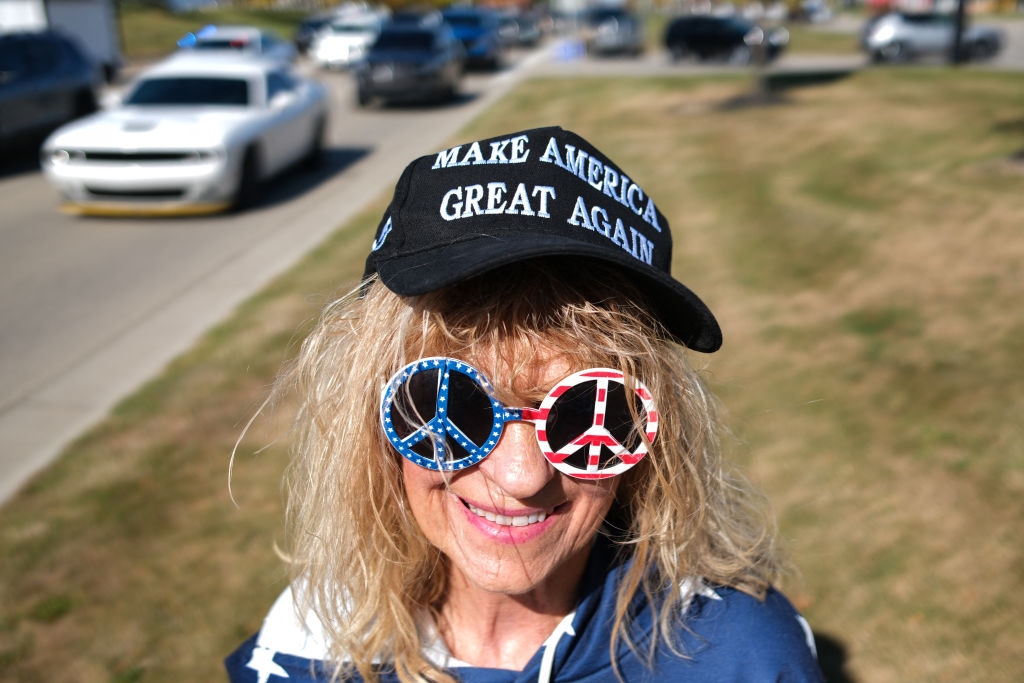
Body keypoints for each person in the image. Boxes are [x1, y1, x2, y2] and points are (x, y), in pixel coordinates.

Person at [225, 126, 824, 683]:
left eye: (589, 410)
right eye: (453, 404)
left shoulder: (738, 659)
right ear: (373, 418)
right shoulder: (309, 644)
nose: (522, 476)